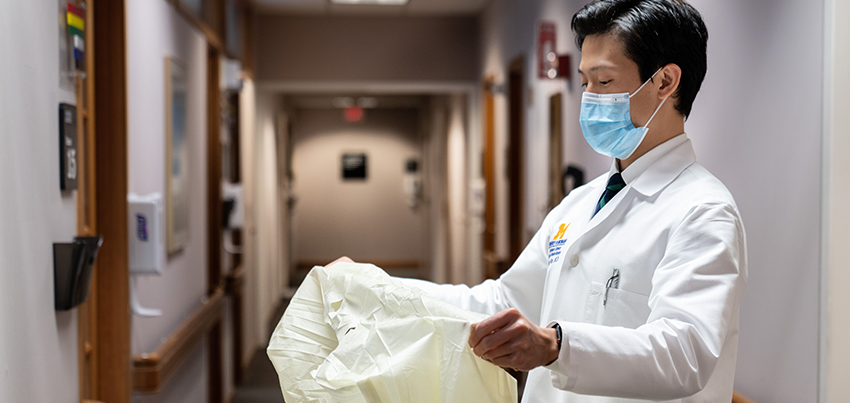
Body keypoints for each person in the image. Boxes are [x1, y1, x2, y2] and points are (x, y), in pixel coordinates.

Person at [334, 0, 746, 401]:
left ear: (665, 82)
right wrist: (376, 286)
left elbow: (684, 355)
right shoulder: (580, 204)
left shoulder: (703, 212)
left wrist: (556, 347)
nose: (588, 98)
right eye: (585, 83)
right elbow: (501, 302)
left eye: (603, 82)